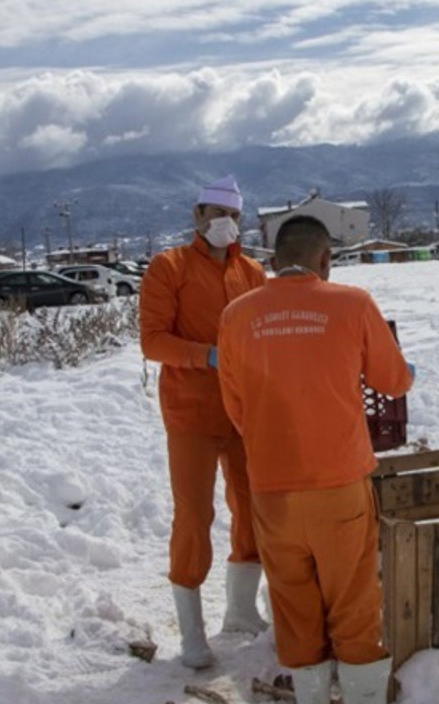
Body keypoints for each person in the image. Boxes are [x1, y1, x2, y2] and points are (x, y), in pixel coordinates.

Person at [217, 214, 414, 704]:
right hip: (339, 483)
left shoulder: (236, 316)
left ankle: (309, 694)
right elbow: (392, 382)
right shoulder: (352, 303)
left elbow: (235, 406)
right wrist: (406, 371)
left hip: (271, 489)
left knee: (294, 605)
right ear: (325, 260)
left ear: (275, 259)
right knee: (354, 603)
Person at [139, 175, 269, 668]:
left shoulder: (252, 271)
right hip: (190, 412)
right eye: (215, 214)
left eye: (233, 215)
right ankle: (192, 632)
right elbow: (153, 341)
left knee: (253, 507)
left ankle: (240, 611)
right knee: (193, 516)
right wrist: (206, 355)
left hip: (245, 411)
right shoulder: (167, 267)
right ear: (196, 216)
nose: (225, 224)